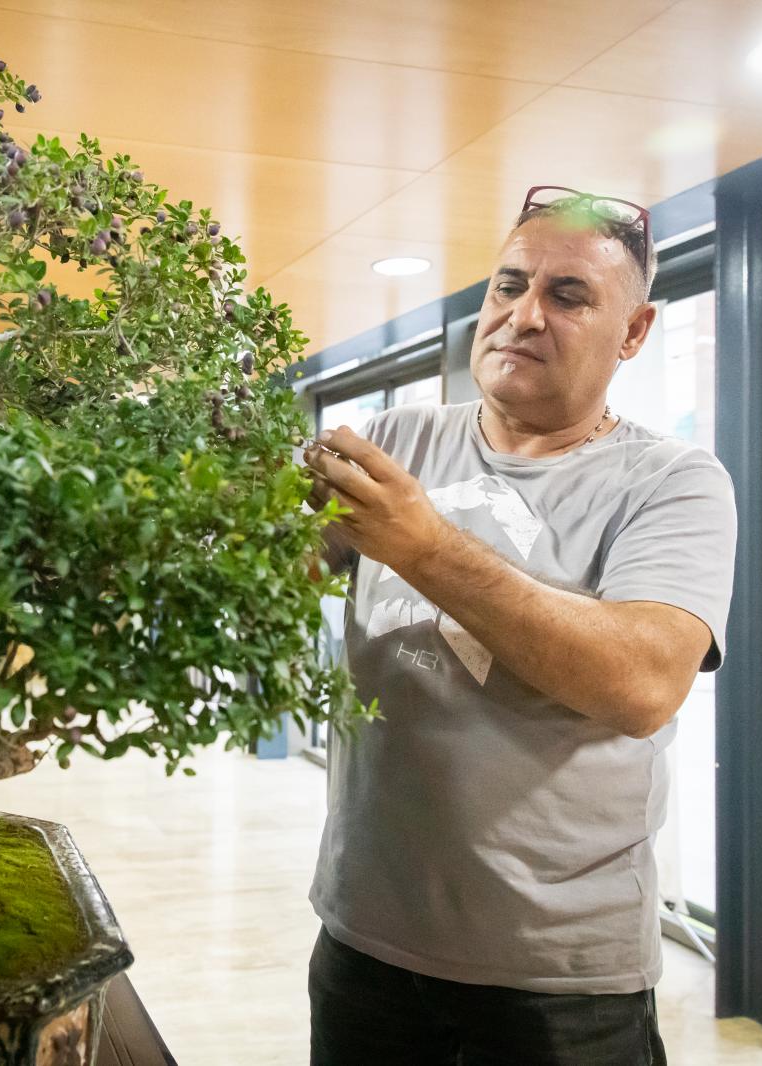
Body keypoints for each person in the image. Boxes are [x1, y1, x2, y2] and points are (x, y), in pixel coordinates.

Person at [301, 185, 738, 1066]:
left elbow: (643, 685)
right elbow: (263, 577)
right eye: (508, 286)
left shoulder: (673, 482)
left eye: (568, 296)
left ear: (636, 331)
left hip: (558, 985)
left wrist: (426, 547)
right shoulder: (398, 438)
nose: (523, 316)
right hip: (363, 945)